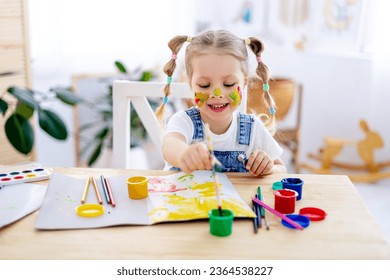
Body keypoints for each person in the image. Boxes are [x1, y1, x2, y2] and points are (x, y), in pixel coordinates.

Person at [157, 30, 286, 176]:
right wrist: (184, 154)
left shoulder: (253, 128)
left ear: (244, 82)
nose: (216, 94)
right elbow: (169, 147)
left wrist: (268, 168)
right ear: (191, 84)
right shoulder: (184, 122)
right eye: (205, 85)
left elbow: (281, 169)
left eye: (229, 84)